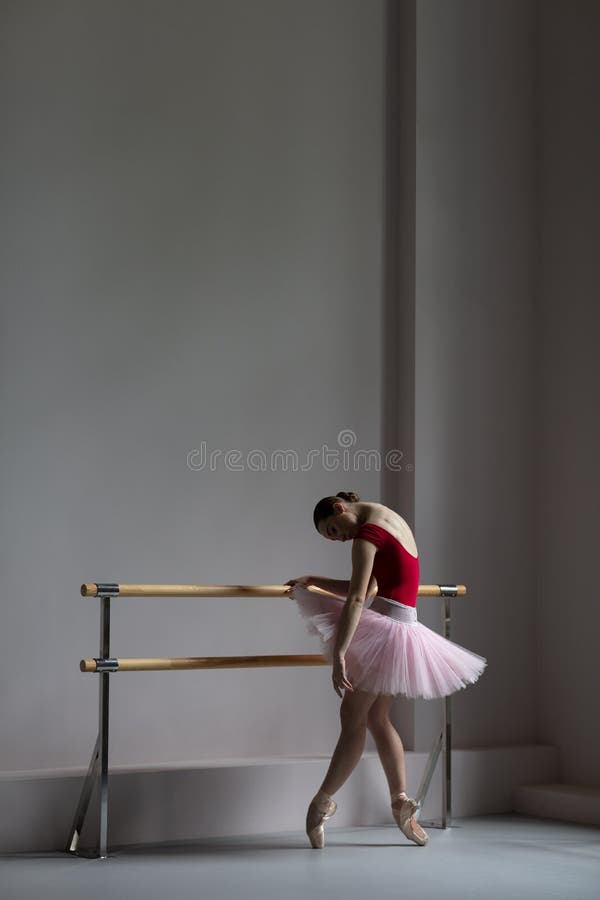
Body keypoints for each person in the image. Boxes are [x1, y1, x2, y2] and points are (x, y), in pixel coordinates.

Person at [285, 491, 487, 849]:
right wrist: (314, 581)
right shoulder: (389, 518)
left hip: (387, 628)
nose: (339, 538)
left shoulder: (367, 535)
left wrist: (341, 653)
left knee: (352, 718)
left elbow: (358, 598)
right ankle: (400, 803)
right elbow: (371, 586)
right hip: (403, 627)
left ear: (340, 507)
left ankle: (320, 804)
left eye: (334, 529)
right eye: (332, 537)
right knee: (377, 718)